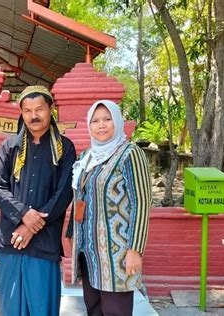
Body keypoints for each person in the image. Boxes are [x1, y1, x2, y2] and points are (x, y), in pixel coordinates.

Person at [0, 85, 76, 316]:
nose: (34, 115)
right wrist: (23, 215)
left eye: (39, 109)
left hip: (44, 241)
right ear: (21, 113)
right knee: (10, 307)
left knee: (42, 307)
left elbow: (64, 192)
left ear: (51, 109)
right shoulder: (9, 147)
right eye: (27, 110)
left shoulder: (64, 148)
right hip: (12, 238)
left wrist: (32, 225)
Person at [69, 100, 152, 315]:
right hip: (89, 252)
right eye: (95, 121)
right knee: (93, 308)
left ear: (117, 121)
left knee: (116, 310)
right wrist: (72, 234)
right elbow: (79, 195)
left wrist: (135, 249)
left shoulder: (130, 154)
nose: (101, 125)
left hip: (118, 253)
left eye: (107, 119)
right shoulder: (87, 156)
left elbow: (141, 202)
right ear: (89, 126)